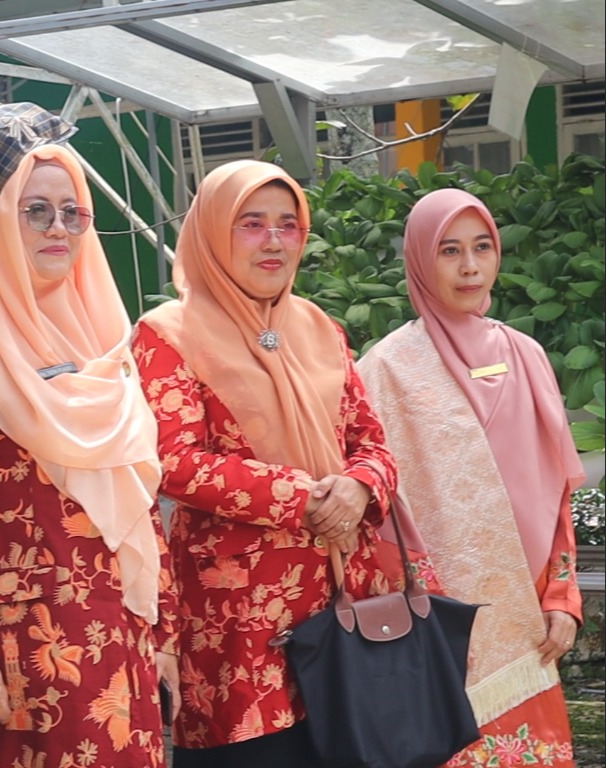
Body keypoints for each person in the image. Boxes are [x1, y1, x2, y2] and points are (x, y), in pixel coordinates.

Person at [0, 103, 177, 768]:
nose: (59, 228)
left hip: (118, 634)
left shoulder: (102, 342)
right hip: (17, 650)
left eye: (73, 212)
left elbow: (138, 496)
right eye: (36, 211)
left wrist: (162, 625)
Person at [133, 159, 398, 766]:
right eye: (252, 223)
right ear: (212, 231)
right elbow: (173, 460)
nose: (274, 241)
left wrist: (360, 486)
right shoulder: (166, 333)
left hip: (346, 603)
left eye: (288, 224)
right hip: (239, 620)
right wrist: (302, 497)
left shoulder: (320, 328)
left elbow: (374, 444)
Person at [356, 188, 584, 765]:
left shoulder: (527, 355)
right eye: (449, 250)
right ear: (419, 259)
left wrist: (563, 596)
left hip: (528, 610)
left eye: (482, 247)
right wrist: (424, 602)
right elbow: (372, 506)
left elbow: (556, 492)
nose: (470, 267)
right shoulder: (385, 369)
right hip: (436, 618)